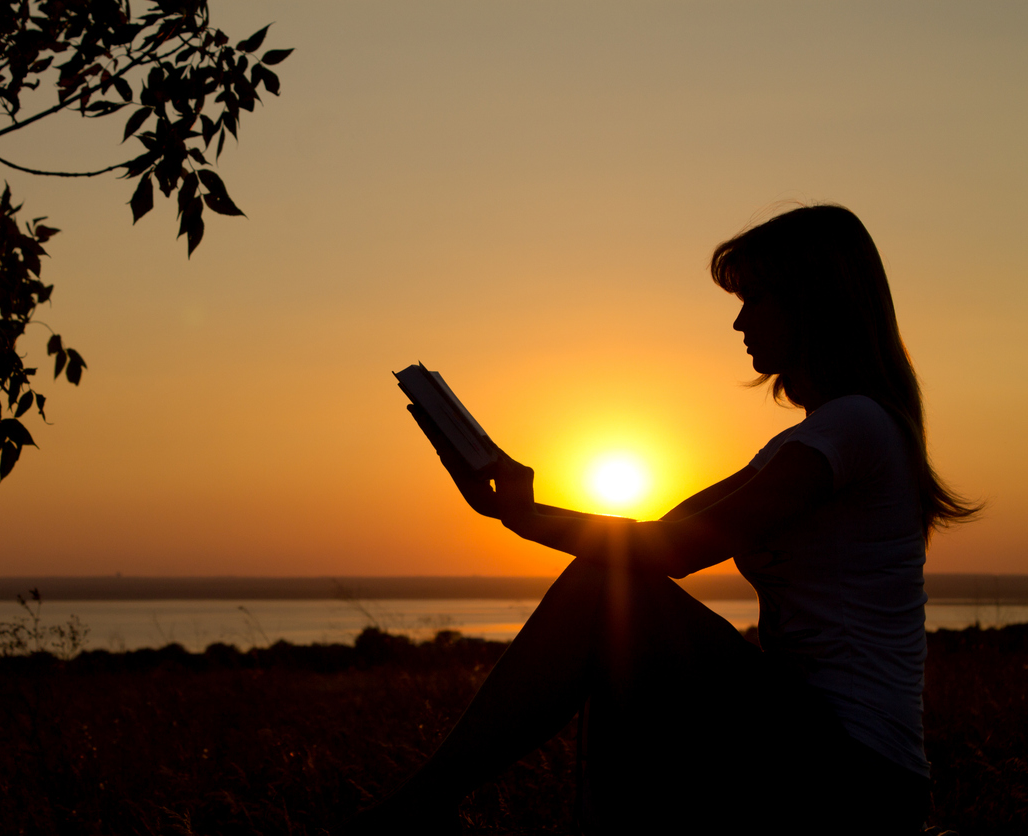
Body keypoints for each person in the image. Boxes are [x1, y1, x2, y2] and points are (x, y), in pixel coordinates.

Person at [345, 204, 979, 835]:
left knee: (604, 590)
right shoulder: (813, 440)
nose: (738, 320)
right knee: (614, 612)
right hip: (814, 746)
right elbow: (661, 532)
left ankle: (413, 812)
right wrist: (519, 510)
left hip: (859, 775)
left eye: (755, 298)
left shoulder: (852, 427)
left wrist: (526, 520)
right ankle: (423, 811)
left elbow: (670, 552)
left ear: (812, 303)